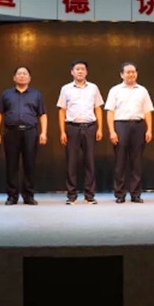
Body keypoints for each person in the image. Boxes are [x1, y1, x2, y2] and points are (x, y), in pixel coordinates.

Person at [0, 66, 47, 205]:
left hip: (30, 131)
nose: (22, 76)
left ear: (29, 78)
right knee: (11, 164)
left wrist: (43, 132)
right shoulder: (6, 94)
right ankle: (12, 196)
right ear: (14, 78)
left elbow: (42, 114)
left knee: (30, 164)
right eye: (19, 73)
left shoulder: (36, 94)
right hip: (11, 132)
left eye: (25, 73)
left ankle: (28, 195)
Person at [105, 62, 154, 203]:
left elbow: (147, 111)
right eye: (128, 72)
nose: (131, 74)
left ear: (136, 74)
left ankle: (135, 194)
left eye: (133, 72)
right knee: (120, 161)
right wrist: (112, 131)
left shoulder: (142, 90)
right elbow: (110, 111)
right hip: (121, 125)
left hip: (138, 126)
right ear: (122, 75)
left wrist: (149, 129)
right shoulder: (115, 90)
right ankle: (120, 194)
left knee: (137, 162)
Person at [57, 60, 104, 205]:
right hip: (72, 127)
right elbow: (62, 110)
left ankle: (89, 196)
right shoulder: (66, 89)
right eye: (77, 69)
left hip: (90, 126)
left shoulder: (93, 88)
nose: (80, 71)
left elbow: (98, 108)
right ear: (72, 72)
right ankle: (72, 195)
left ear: (86, 72)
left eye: (83, 69)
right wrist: (62, 131)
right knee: (71, 162)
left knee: (90, 161)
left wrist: (100, 128)